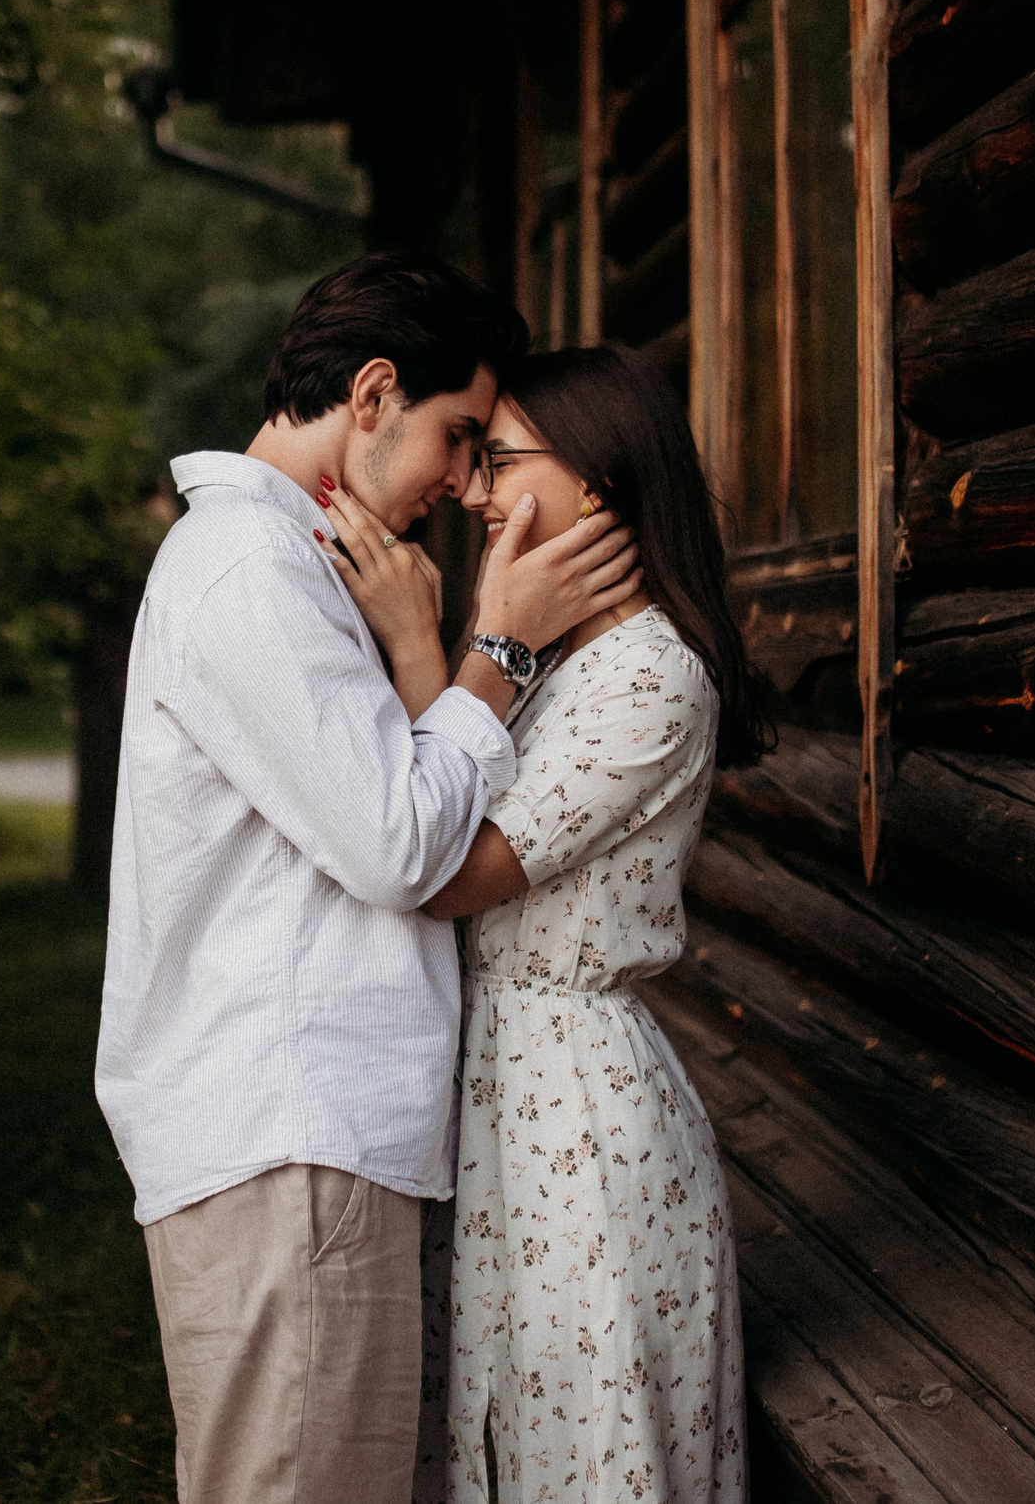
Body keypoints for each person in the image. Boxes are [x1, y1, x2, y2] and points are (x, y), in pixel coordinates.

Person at [96, 253, 647, 1504]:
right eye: (457, 437)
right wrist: (496, 652)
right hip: (288, 1134)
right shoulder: (254, 570)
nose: (462, 484)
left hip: (309, 1137)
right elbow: (401, 845)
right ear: (374, 391)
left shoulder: (296, 561)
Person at [323, 342, 768, 1504]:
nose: (473, 489)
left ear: (600, 485)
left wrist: (438, 645)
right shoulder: (565, 664)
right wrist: (484, 650)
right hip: (502, 1094)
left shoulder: (651, 676)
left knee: (584, 1456)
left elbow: (455, 868)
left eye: (502, 458)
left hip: (578, 1116)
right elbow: (448, 798)